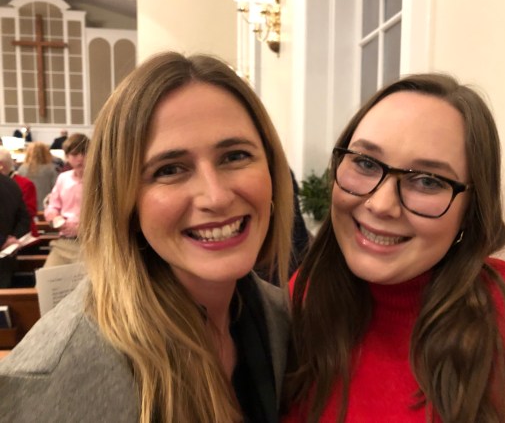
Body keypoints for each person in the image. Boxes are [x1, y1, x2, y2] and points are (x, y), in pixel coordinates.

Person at [0, 52, 294, 422]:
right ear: (125, 202)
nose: (216, 197)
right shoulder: (53, 381)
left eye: (235, 156)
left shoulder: (279, 319)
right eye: (169, 169)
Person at [283, 73, 505, 422]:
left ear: (470, 210)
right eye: (365, 163)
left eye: (428, 181)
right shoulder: (304, 299)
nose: (381, 204)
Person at [42, 133, 89, 267]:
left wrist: (82, 228)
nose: (80, 158)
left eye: (84, 153)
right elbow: (53, 206)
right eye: (74, 154)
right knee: (48, 277)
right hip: (65, 240)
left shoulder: (99, 180)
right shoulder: (63, 178)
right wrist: (58, 221)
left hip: (90, 241)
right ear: (67, 157)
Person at [0, 174, 31, 288]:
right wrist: (13, 239)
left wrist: (3, 242)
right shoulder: (11, 184)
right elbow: (24, 219)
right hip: (6, 257)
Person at [0, 147, 38, 237]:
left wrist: (11, 238)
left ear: (1, 165)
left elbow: (28, 213)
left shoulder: (24, 184)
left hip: (22, 235)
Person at [16, 142, 58, 211]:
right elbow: (55, 189)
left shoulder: (22, 169)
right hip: (45, 208)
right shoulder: (51, 169)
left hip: (27, 208)